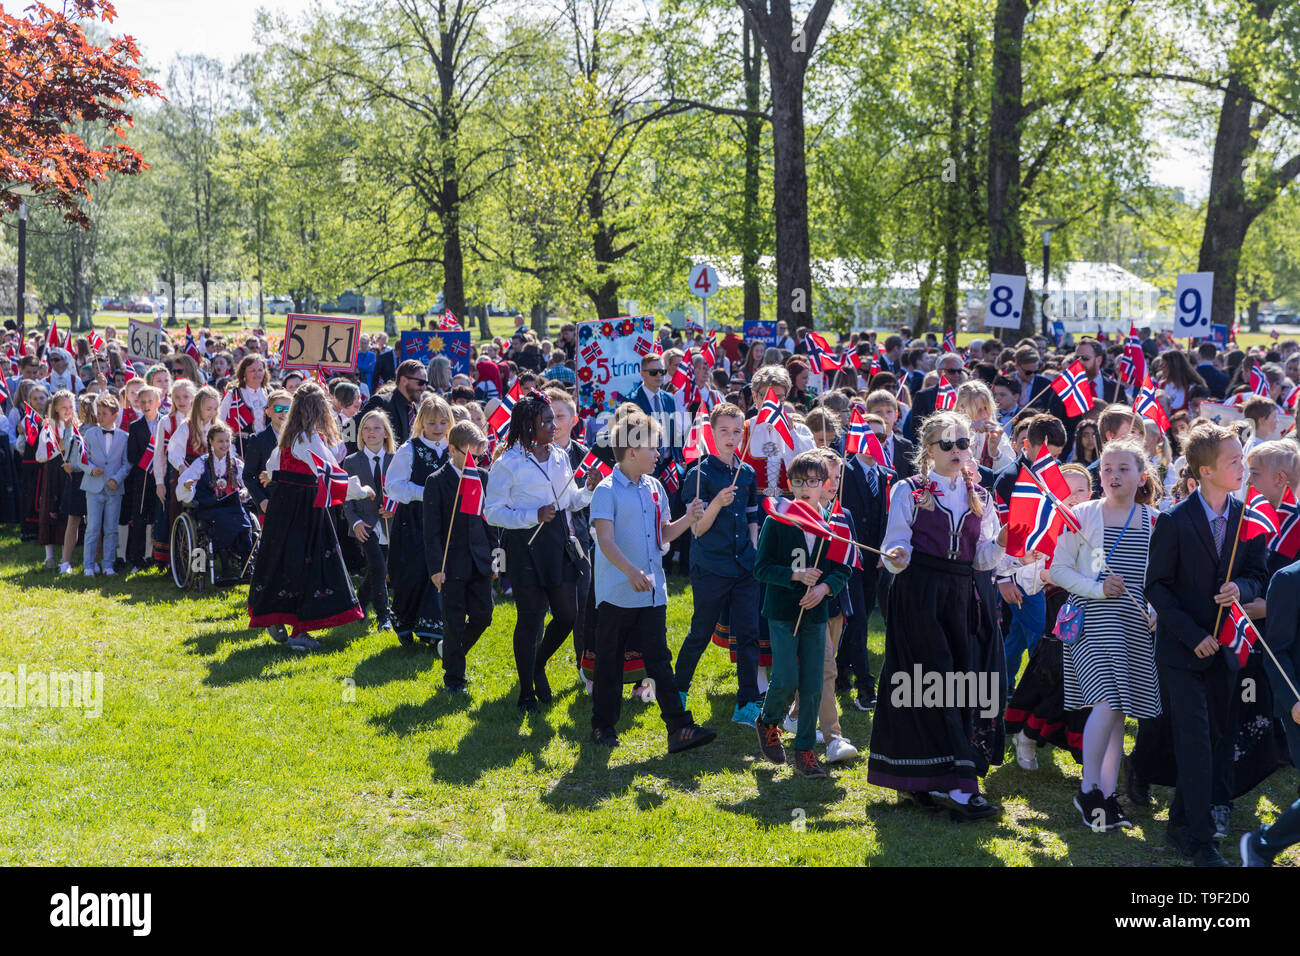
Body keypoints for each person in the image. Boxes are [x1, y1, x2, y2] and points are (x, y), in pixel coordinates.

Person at [867, 410, 1008, 820]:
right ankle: (957, 786)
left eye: (963, 443)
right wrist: (896, 556)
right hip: (919, 593)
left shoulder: (980, 495)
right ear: (928, 450)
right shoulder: (907, 490)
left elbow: (982, 560)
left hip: (962, 595)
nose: (957, 451)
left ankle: (928, 779)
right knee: (928, 681)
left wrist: (1001, 541)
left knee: (957, 684)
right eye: (947, 444)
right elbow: (897, 544)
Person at [1147, 422, 1269, 866]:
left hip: (1226, 651)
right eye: (1234, 461)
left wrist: (1241, 585)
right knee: (1195, 739)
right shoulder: (1174, 520)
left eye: (1244, 458)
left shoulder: (1245, 517)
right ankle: (1200, 841)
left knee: (1216, 736)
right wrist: (1192, 634)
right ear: (1206, 472)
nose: (1244, 467)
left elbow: (1259, 571)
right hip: (1183, 650)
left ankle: (1181, 819)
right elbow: (1156, 586)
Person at [588, 409, 715, 752]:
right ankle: (603, 726)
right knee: (609, 662)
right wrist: (630, 572)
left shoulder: (656, 487)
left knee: (659, 660)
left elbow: (663, 537)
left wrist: (688, 518)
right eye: (653, 447)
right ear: (631, 451)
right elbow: (606, 540)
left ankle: (678, 728)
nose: (659, 453)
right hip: (617, 593)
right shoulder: (606, 490)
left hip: (652, 594)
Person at [1050, 440, 1161, 831]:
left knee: (1116, 713)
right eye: (1107, 469)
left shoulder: (1155, 521)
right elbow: (1057, 570)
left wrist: (1154, 610)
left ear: (1141, 476)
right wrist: (1098, 588)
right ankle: (1088, 789)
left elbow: (1161, 583)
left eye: (1123, 469)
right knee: (1109, 701)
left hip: (1133, 627)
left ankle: (1105, 799)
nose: (1113, 476)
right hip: (1091, 621)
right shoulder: (1079, 515)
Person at [485, 393, 601, 712]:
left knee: (567, 615)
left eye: (554, 419)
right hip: (524, 546)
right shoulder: (506, 463)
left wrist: (588, 489)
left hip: (558, 541)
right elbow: (492, 512)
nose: (554, 426)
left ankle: (538, 664)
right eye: (546, 422)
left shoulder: (561, 456)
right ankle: (525, 692)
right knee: (531, 618)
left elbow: (569, 500)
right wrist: (531, 515)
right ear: (527, 425)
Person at [248, 383, 373, 651]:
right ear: (319, 410)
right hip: (305, 509)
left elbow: (272, 467)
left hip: (283, 507)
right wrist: (362, 491)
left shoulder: (287, 437)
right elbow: (333, 474)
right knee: (310, 566)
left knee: (283, 562)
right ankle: (299, 631)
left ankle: (275, 614)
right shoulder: (308, 438)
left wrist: (276, 476)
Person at [750, 449, 852, 777]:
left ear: (825, 484)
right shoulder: (777, 520)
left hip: (816, 614)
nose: (805, 487)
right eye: (798, 481)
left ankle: (805, 749)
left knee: (812, 684)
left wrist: (824, 588)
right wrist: (795, 575)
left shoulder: (834, 523)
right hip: (782, 612)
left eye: (812, 481)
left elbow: (843, 568)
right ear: (790, 485)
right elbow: (761, 568)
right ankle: (768, 721)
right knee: (786, 678)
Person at [674, 403, 762, 725]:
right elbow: (696, 529)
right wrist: (716, 504)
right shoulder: (699, 475)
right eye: (724, 430)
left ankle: (747, 703)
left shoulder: (748, 473)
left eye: (737, 431)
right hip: (711, 566)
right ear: (711, 433)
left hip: (744, 567)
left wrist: (752, 546)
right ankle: (678, 692)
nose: (731, 437)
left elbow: (753, 517)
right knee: (700, 631)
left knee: (748, 635)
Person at [425, 421, 496, 694]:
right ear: (452, 449)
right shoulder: (436, 481)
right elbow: (431, 532)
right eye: (468, 455)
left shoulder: (482, 477)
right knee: (453, 620)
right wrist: (435, 568)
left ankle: (452, 650)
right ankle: (454, 679)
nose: (474, 461)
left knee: (484, 616)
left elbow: (489, 522)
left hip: (479, 559)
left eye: (477, 456)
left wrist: (494, 559)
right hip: (450, 563)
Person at [383, 394, 452, 646]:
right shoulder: (409, 449)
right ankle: (404, 621)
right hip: (412, 520)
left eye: (443, 423)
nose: (438, 429)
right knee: (412, 572)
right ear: (422, 422)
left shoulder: (453, 448)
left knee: (437, 571)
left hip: (443, 522)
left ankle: (433, 628)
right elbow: (392, 486)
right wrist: (425, 492)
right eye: (432, 423)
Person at [175, 420, 255, 577]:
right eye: (220, 441)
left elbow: (248, 484)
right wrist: (187, 486)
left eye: (227, 441)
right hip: (209, 506)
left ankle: (246, 563)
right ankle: (225, 566)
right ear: (211, 442)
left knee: (244, 522)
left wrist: (245, 492)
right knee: (223, 520)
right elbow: (183, 484)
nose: (224, 445)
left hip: (232, 506)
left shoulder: (236, 464)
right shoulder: (201, 463)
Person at [343, 410, 397, 631]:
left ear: (385, 433)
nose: (371, 432)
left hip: (389, 523)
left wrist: (393, 509)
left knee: (378, 567)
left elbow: (400, 490)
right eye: (366, 428)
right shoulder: (352, 461)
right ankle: (384, 615)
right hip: (365, 524)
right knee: (377, 564)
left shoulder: (396, 459)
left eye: (376, 428)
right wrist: (355, 522)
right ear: (360, 434)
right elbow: (346, 498)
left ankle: (360, 602)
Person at [78, 393, 130, 577]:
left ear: (115, 415)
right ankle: (89, 565)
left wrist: (117, 478)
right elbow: (82, 457)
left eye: (104, 413)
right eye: (98, 413)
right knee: (92, 527)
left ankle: (108, 564)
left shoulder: (124, 436)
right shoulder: (90, 434)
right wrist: (91, 469)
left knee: (111, 528)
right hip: (93, 487)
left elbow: (127, 463)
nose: (100, 417)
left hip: (114, 489)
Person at [36, 389, 82, 575]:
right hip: (54, 472)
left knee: (70, 513)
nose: (68, 410)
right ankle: (49, 555)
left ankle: (68, 555)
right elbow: (41, 454)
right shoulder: (49, 426)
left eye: (71, 406)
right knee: (51, 509)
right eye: (63, 407)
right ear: (55, 408)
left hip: (72, 473)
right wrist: (60, 446)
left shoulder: (77, 424)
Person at [356, 358, 427, 448]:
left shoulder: (413, 409)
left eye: (426, 383)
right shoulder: (381, 403)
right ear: (404, 380)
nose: (424, 388)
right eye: (420, 382)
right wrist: (359, 458)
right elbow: (350, 427)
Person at [243, 389, 290, 517]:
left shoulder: (299, 438)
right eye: (279, 409)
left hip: (294, 501)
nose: (284, 413)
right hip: (269, 502)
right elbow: (248, 475)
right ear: (268, 412)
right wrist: (262, 501)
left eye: (288, 409)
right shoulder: (258, 440)